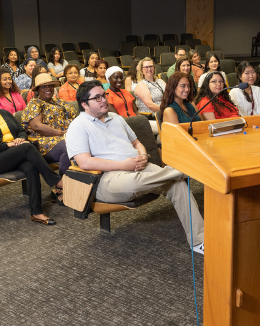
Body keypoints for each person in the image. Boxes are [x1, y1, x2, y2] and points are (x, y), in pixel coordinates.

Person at [65, 80, 204, 253]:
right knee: (137, 182)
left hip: (138, 168)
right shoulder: (78, 126)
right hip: (106, 178)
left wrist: (144, 155)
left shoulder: (115, 118)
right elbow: (84, 162)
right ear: (84, 104)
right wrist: (123, 164)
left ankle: (199, 240)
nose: (104, 100)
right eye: (97, 98)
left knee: (177, 184)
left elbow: (137, 143)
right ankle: (180, 171)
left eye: (104, 95)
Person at [0, 84, 63, 225]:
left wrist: (20, 138)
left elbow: (21, 130)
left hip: (15, 154)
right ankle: (56, 182)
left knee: (31, 166)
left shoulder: (4, 113)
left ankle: (36, 212)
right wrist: (8, 144)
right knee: (28, 148)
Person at [21, 73, 76, 176]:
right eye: (44, 86)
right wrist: (62, 133)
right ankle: (63, 186)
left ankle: (82, 184)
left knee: (84, 142)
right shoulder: (34, 104)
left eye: (50, 86)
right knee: (70, 147)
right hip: (44, 142)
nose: (48, 88)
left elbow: (74, 117)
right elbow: (37, 126)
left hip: (67, 137)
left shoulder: (59, 102)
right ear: (37, 89)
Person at [134, 57, 166, 135]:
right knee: (170, 128)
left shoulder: (160, 81)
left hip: (164, 115)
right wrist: (167, 112)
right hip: (151, 117)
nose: (149, 69)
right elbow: (150, 105)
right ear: (142, 69)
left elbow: (169, 95)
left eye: (151, 66)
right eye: (146, 67)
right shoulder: (141, 84)